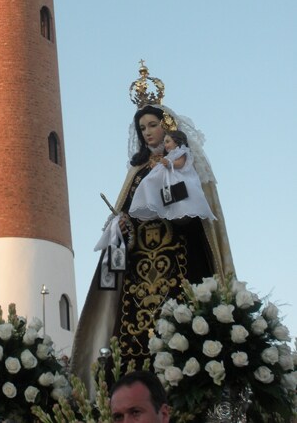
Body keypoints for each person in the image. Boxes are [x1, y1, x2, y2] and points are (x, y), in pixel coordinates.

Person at [71, 64, 234, 392]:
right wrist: (123, 226)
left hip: (178, 261)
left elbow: (195, 215)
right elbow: (127, 216)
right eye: (142, 127)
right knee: (131, 337)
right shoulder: (137, 172)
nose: (147, 132)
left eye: (152, 125)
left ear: (167, 126)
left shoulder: (184, 164)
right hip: (138, 270)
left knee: (179, 331)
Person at [129, 130, 216, 221]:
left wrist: (169, 163)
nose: (165, 145)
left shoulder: (181, 152)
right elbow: (163, 166)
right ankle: (149, 201)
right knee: (148, 181)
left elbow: (180, 164)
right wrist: (157, 166)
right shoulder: (169, 155)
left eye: (168, 142)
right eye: (164, 142)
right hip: (167, 181)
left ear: (176, 142)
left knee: (180, 201)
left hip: (177, 179)